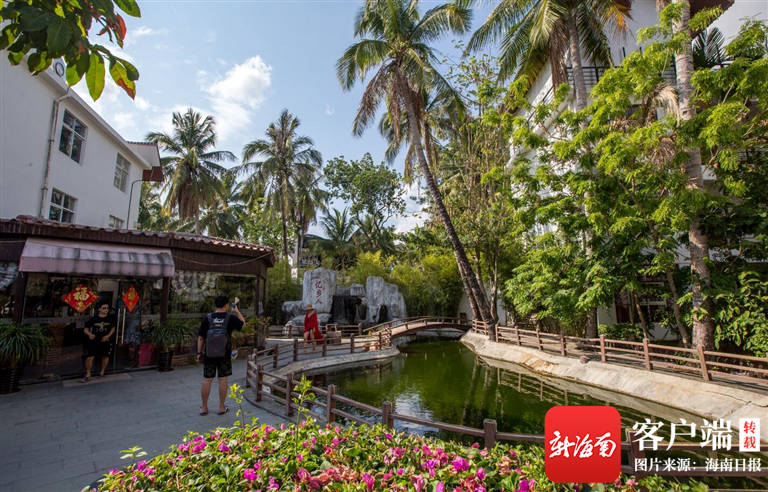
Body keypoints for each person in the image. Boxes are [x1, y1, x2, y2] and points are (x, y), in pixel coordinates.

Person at [196, 295, 244, 416]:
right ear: (226, 305)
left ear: (216, 305)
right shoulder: (230, 318)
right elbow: (243, 325)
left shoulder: (208, 318)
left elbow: (201, 337)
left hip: (209, 354)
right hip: (224, 354)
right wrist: (237, 311)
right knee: (223, 379)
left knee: (207, 380)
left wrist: (198, 353)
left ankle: (204, 408)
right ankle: (222, 407)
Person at [81, 301, 116, 382]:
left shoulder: (110, 318)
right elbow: (85, 329)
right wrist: (90, 334)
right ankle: (88, 374)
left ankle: (102, 372)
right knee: (90, 357)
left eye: (107, 308)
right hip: (95, 340)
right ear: (99, 309)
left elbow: (113, 328)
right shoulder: (94, 319)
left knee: (105, 356)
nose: (106, 310)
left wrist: (108, 336)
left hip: (106, 340)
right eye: (104, 308)